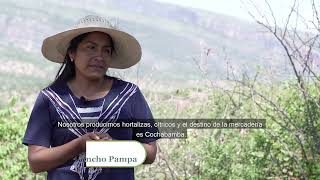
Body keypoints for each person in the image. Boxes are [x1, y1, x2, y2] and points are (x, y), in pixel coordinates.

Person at [22, 15, 159, 180]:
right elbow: (36, 162)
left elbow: (150, 153)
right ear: (72, 53)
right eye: (91, 47)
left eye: (106, 50)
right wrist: (79, 145)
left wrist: (116, 148)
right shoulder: (51, 98)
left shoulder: (129, 95)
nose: (99, 56)